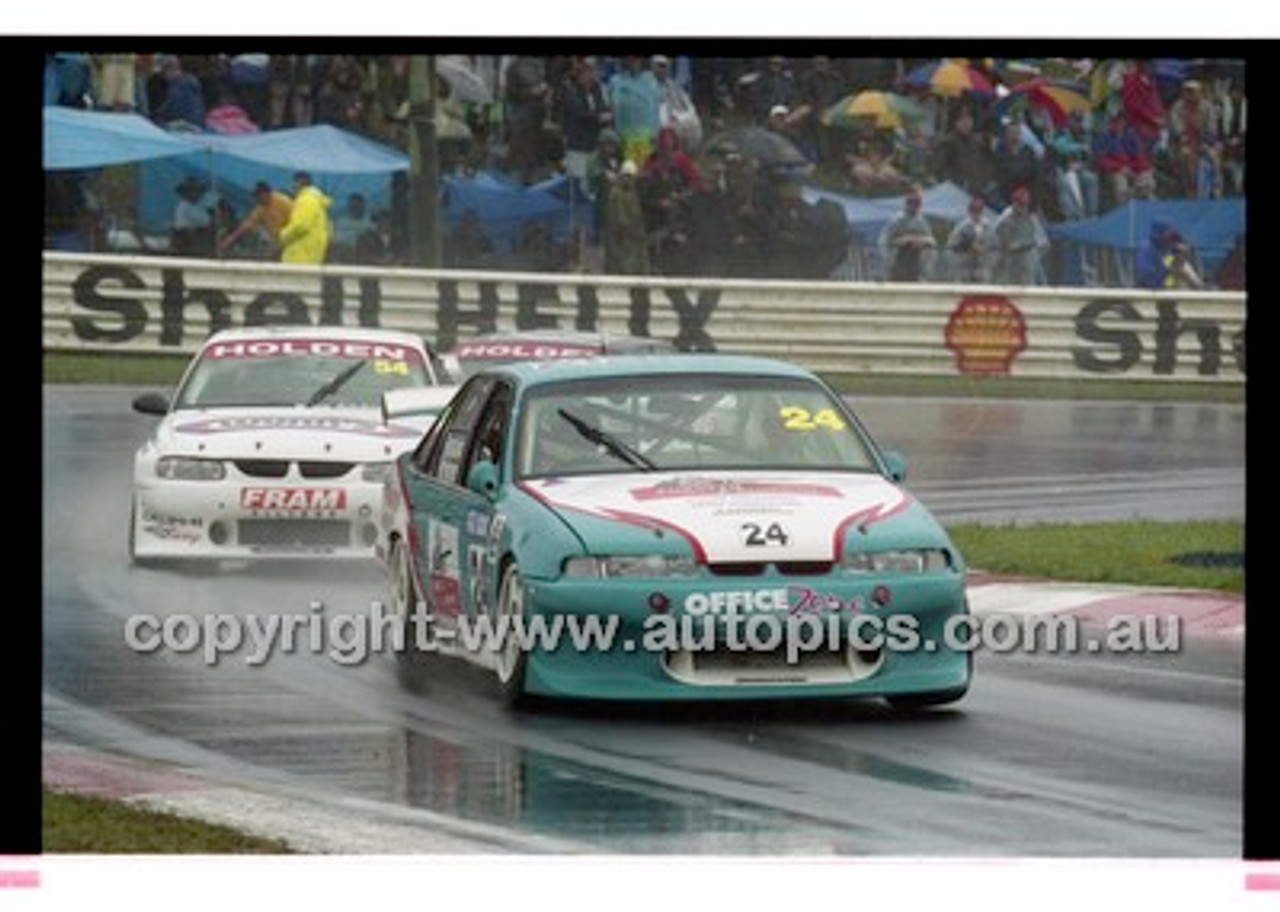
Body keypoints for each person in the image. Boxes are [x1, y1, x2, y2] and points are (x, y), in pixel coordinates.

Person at [560, 56, 612, 201]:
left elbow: (604, 107)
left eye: (592, 72)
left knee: (593, 182)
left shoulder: (598, 90)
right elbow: (579, 112)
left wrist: (605, 114)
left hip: (595, 144)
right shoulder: (570, 91)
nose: (590, 76)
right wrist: (598, 117)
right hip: (577, 144)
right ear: (579, 74)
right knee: (578, 182)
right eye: (585, 73)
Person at [607, 55, 661, 165]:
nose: (633, 62)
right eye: (630, 59)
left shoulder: (650, 80)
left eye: (636, 59)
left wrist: (656, 133)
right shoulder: (615, 81)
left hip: (646, 136)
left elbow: (655, 108)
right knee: (628, 173)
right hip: (624, 136)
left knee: (645, 173)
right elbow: (612, 108)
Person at [217, 181, 293, 258]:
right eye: (257, 197)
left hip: (291, 238)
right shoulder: (261, 208)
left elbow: (296, 219)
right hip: (277, 240)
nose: (259, 199)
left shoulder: (283, 201)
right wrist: (230, 239)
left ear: (267, 193)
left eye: (260, 196)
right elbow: (247, 225)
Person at [991, 185, 1049, 286]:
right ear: (1014, 203)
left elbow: (1043, 243)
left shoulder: (1030, 219)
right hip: (1006, 272)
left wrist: (1036, 249)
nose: (1024, 208)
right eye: (1021, 204)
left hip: (1026, 272)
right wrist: (1027, 244)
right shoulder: (1004, 221)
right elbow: (1006, 247)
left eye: (1026, 205)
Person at [878, 185, 936, 282]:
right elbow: (883, 241)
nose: (915, 206)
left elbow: (931, 242)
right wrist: (902, 242)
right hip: (898, 265)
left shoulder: (922, 221)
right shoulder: (897, 220)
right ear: (907, 203)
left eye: (918, 203)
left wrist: (922, 242)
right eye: (912, 202)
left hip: (915, 266)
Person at [604, 160, 650, 276]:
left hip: (634, 240)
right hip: (622, 239)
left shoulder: (632, 192)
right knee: (623, 268)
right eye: (627, 177)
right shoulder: (617, 194)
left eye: (632, 177)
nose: (630, 180)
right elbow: (620, 220)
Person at [277, 171, 332, 265]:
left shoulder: (306, 199)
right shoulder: (316, 200)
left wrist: (283, 235)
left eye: (294, 183)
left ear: (301, 182)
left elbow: (300, 225)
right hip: (310, 253)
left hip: (300, 255)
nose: (292, 187)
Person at [652, 54, 702, 152]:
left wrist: (684, 116)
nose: (662, 69)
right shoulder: (649, 85)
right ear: (653, 67)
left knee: (694, 124)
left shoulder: (672, 84)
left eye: (664, 66)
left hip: (679, 117)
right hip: (662, 121)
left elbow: (687, 102)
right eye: (659, 66)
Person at [944, 194, 996, 283]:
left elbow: (994, 246)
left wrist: (985, 251)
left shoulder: (988, 226)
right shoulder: (962, 227)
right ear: (970, 211)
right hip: (965, 268)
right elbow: (951, 245)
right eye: (974, 210)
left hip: (982, 268)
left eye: (979, 210)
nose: (977, 213)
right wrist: (967, 247)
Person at [1136, 222, 1203, 290]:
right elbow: (1148, 280)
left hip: (1169, 289)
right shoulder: (1147, 249)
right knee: (1178, 266)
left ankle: (1200, 288)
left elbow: (1183, 245)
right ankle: (1200, 288)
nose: (1171, 241)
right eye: (1168, 236)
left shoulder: (1170, 248)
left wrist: (1182, 254)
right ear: (1160, 235)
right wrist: (1168, 269)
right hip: (1149, 292)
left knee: (1181, 264)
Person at [152, 55, 206, 132]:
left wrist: (156, 116)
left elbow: (175, 109)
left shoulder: (177, 85)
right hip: (198, 124)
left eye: (163, 73)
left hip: (185, 124)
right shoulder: (190, 81)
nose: (163, 77)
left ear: (171, 70)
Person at [170, 175, 215, 257]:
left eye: (197, 191)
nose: (195, 194)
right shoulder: (185, 206)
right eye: (190, 191)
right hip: (188, 239)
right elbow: (207, 222)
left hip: (192, 238)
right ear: (184, 193)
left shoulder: (196, 206)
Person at [329, 193, 379, 264]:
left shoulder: (371, 224)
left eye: (358, 206)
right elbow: (335, 240)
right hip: (345, 257)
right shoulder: (341, 223)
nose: (355, 208)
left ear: (363, 206)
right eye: (353, 205)